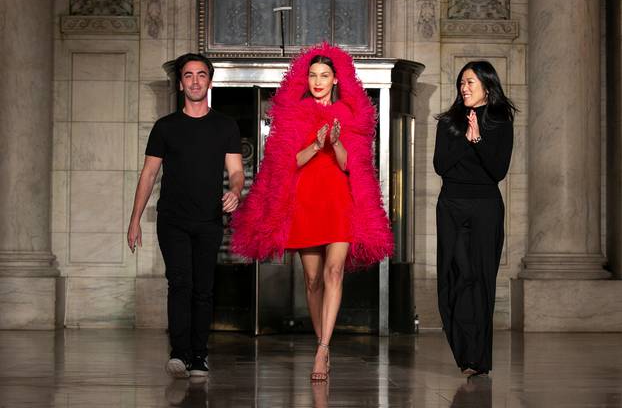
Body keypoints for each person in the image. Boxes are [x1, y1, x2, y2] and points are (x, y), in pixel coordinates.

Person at [230, 43, 393, 381]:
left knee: (334, 273)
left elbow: (353, 166)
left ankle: (321, 349)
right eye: (313, 75)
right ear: (305, 79)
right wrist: (316, 145)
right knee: (313, 279)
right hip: (305, 204)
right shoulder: (291, 113)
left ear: (336, 80)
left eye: (324, 76)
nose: (318, 81)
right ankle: (325, 344)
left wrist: (336, 143)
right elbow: (285, 164)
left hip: (339, 203)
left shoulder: (350, 113)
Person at [126, 53, 244, 379]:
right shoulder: (166, 128)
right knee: (180, 283)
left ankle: (199, 356)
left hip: (209, 220)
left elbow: (236, 171)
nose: (194, 81)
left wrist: (235, 191)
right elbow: (148, 175)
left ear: (209, 81)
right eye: (188, 75)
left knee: (203, 289)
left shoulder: (225, 126)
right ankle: (179, 354)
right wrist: (135, 219)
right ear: (180, 83)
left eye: (201, 75)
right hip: (173, 219)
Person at [433, 60, 516, 376]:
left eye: (470, 82)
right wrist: (463, 139)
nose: (464, 88)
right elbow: (441, 165)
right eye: (461, 83)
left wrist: (479, 139)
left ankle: (478, 357)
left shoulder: (500, 122)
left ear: (487, 85)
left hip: (485, 207)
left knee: (480, 280)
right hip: (451, 206)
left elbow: (498, 171)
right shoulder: (448, 122)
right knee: (455, 277)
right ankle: (462, 347)